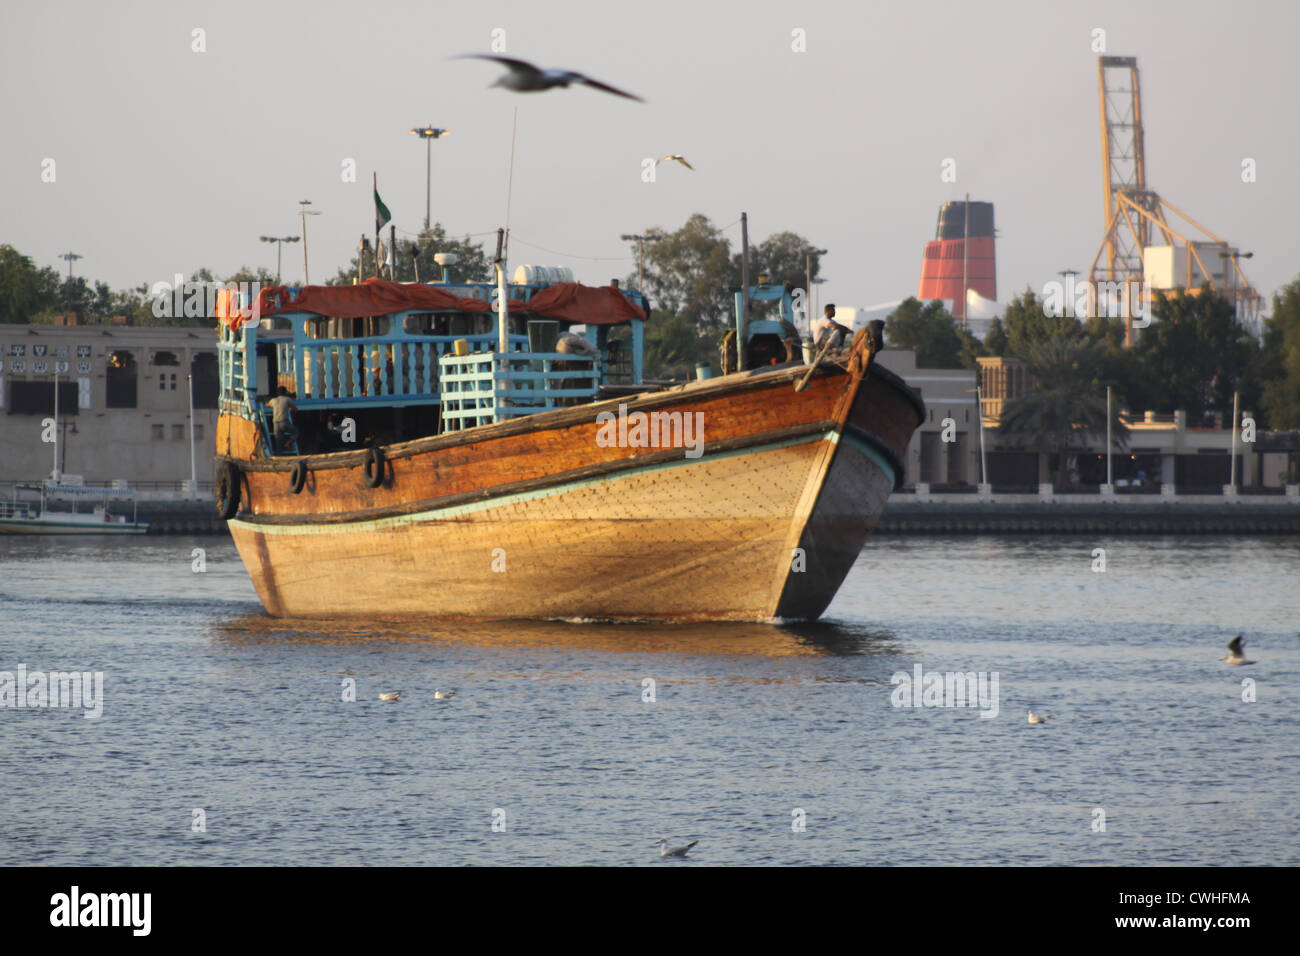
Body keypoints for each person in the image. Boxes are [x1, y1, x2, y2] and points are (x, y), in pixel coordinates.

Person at [267, 386, 298, 454]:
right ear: (285, 392)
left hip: (276, 424)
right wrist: (289, 408)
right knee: (295, 431)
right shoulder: (287, 399)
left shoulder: (273, 400)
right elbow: (295, 409)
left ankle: (279, 457)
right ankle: (288, 443)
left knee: (278, 442)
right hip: (284, 422)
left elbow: (267, 405)